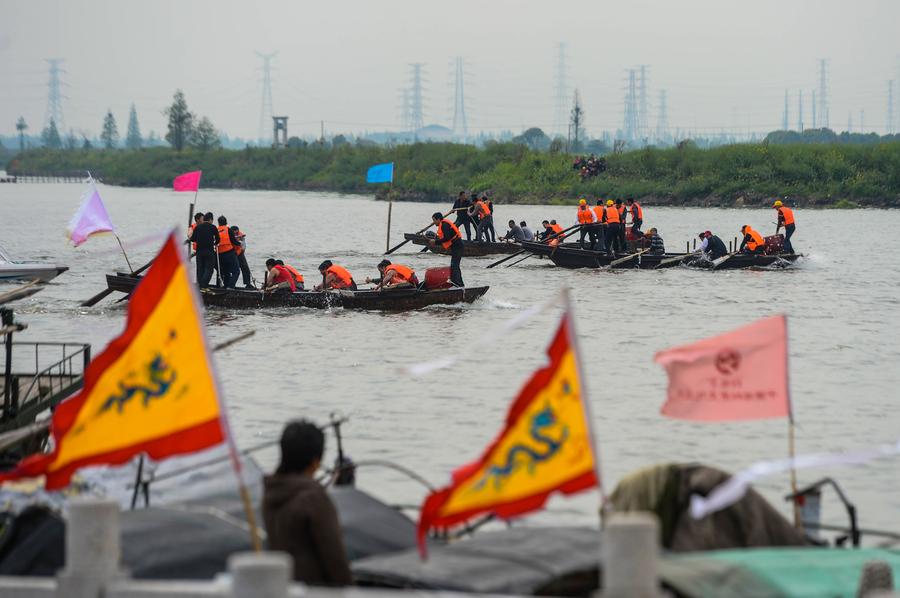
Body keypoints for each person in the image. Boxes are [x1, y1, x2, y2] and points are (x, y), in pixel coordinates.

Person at [263, 420, 352, 586]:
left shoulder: (270, 493)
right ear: (315, 462)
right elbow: (337, 564)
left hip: (283, 588)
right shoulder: (314, 500)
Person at [428, 211, 464, 287]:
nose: (434, 222)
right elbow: (446, 238)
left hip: (458, 245)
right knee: (454, 265)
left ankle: (459, 284)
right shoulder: (443, 225)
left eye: (434, 220)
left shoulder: (444, 225)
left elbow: (447, 238)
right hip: (456, 245)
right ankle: (458, 284)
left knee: (454, 266)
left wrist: (435, 242)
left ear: (438, 219)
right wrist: (436, 242)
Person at [189, 212, 218, 287]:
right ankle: (203, 285)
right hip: (209, 251)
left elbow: (193, 239)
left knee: (200, 269)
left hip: (199, 251)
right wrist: (215, 243)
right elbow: (218, 239)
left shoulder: (198, 227)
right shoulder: (213, 227)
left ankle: (199, 285)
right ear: (211, 219)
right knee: (209, 269)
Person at [215, 216, 241, 289]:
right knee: (236, 271)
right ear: (226, 222)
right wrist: (239, 244)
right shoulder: (228, 230)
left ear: (218, 223)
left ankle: (225, 286)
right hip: (229, 252)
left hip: (219, 254)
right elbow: (233, 241)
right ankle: (230, 286)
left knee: (225, 272)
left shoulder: (216, 230)